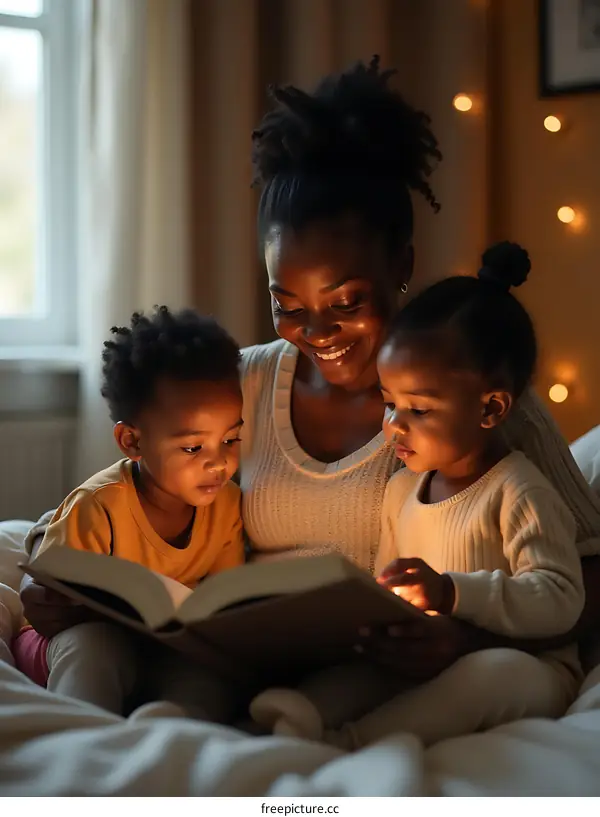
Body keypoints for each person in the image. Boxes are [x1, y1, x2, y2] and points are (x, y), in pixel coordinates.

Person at [20, 56, 600, 687]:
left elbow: (583, 576)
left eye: (346, 303)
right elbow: (125, 491)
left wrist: (460, 638)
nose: (317, 334)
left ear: (401, 264)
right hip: (245, 664)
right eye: (286, 307)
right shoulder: (237, 386)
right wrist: (57, 584)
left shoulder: (470, 393)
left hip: (387, 675)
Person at [249, 242, 584, 747]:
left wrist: (454, 594)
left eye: (419, 411)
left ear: (490, 409)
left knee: (488, 676)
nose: (393, 427)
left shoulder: (519, 491)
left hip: (525, 664)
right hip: (430, 656)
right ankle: (300, 719)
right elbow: (391, 585)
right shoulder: (402, 490)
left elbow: (562, 599)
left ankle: (354, 742)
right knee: (358, 677)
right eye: (389, 404)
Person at [14, 306, 245, 717]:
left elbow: (223, 605)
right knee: (97, 649)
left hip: (160, 647)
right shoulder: (98, 507)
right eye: (193, 447)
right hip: (65, 641)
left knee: (205, 677)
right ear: (132, 442)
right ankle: (87, 742)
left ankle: (170, 742)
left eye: (230, 439)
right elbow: (49, 609)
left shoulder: (226, 505)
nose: (218, 463)